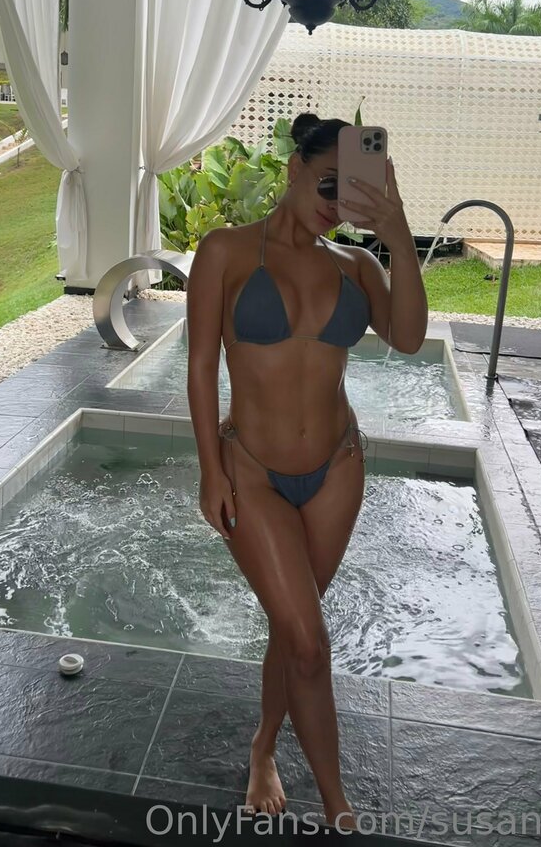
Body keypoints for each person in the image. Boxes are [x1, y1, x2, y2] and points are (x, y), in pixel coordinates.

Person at [185, 112, 428, 831]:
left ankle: (264, 746)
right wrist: (210, 470)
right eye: (327, 184)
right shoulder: (225, 251)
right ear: (294, 169)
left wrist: (398, 236)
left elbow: (409, 337)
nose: (333, 205)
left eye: (349, 193)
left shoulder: (355, 266)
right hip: (252, 471)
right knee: (309, 643)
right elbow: (199, 366)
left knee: (296, 632)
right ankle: (337, 806)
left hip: (337, 469)